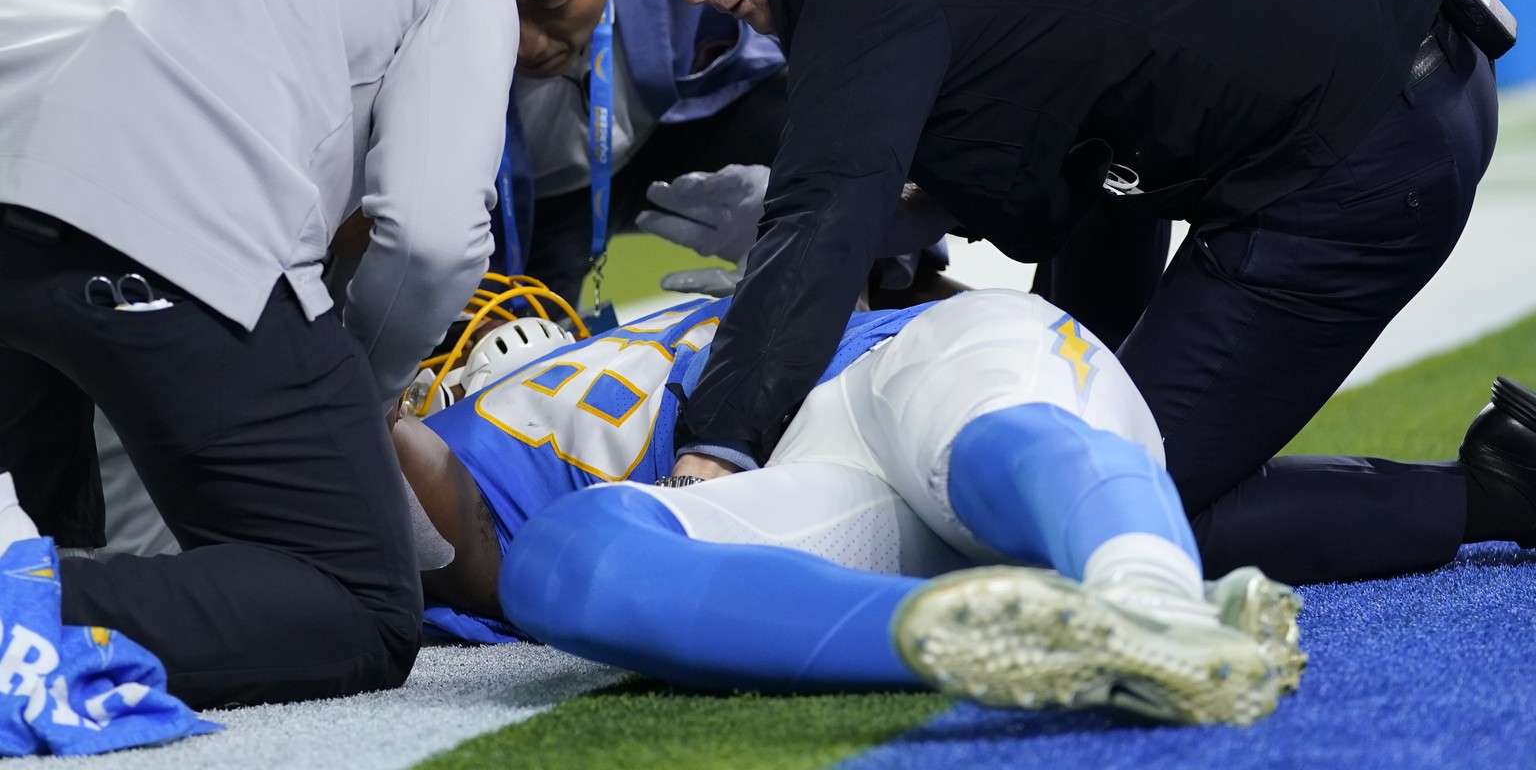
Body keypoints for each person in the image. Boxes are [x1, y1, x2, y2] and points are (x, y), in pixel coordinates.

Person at [573, 0, 1518, 586]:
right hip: (1383, 59)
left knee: (1095, 513)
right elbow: (1058, 102)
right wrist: (900, 228)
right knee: (1047, 415)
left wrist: (711, 461)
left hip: (1357, 145)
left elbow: (826, 203)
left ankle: (1500, 494)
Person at [0, 0, 516, 706]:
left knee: (50, 518)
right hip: (171, 224)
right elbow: (434, 238)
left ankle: (37, 613)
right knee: (354, 603)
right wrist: (358, 397)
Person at [392, 288, 1306, 726]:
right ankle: (1035, 633)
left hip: (911, 365)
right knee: (565, 564)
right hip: (821, 470)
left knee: (992, 431)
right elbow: (477, 552)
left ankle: (1148, 598)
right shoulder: (482, 453)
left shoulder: (487, 419)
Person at [470, 0, 786, 304]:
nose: (526, 44)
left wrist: (828, 218)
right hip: (528, 198)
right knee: (503, 347)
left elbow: (846, 55)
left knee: (814, 137)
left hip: (677, 130)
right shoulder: (406, 4)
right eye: (500, 8)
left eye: (553, 1)